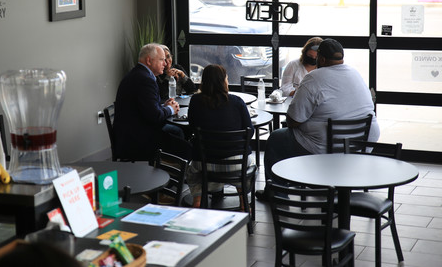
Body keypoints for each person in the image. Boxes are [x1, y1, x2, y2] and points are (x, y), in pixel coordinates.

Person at [256, 38, 380, 200]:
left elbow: (293, 120)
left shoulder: (314, 77)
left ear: (321, 59)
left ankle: (278, 193)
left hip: (328, 147)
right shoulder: (354, 73)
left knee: (276, 138)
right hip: (361, 145)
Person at [185, 64, 255, 208]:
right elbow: (250, 130)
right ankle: (243, 202)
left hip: (204, 163)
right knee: (248, 165)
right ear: (223, 81)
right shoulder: (237, 102)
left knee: (192, 172)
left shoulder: (195, 101)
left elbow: (192, 128)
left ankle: (197, 202)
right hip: (236, 164)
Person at [114, 43, 182, 161]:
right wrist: (171, 109)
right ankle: (174, 175)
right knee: (185, 144)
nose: (165, 64)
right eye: (162, 60)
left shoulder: (138, 74)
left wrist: (163, 106)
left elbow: (147, 108)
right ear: (149, 61)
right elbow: (155, 116)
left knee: (177, 133)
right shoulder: (145, 80)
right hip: (136, 140)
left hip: (128, 134)